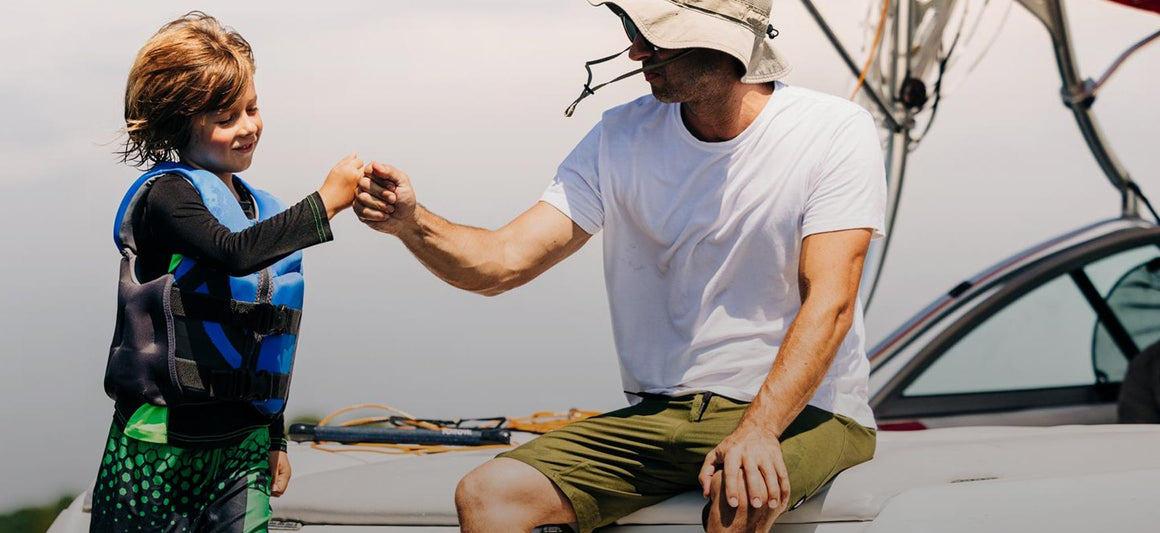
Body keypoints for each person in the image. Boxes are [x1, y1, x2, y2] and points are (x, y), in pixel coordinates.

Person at [353, 1, 886, 532]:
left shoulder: (833, 130)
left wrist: (759, 429)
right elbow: (502, 263)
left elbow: (831, 302)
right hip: (661, 414)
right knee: (490, 494)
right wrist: (410, 222)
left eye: (658, 36)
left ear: (726, 41)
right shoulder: (618, 137)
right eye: (633, 30)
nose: (636, 50)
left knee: (740, 491)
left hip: (806, 412)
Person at [95, 11, 362, 533]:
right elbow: (233, 253)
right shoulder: (168, 198)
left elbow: (262, 330)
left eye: (252, 108)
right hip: (159, 445)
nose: (248, 126)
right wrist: (325, 204)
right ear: (177, 121)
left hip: (243, 447)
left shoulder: (258, 209)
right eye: (226, 117)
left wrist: (275, 436)